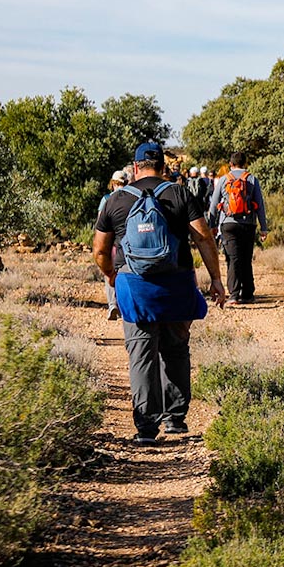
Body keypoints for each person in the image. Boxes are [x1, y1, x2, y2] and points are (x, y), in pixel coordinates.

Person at [93, 141, 227, 444]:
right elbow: (204, 238)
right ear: (163, 166)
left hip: (135, 287)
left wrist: (112, 276)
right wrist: (216, 279)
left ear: (135, 167)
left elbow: (100, 249)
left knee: (141, 354)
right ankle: (175, 420)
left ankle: (145, 427)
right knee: (176, 350)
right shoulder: (180, 193)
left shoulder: (116, 199)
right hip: (177, 284)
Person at [208, 152, 267, 304]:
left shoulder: (223, 179)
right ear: (245, 163)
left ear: (231, 164)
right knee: (246, 258)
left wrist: (212, 225)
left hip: (228, 224)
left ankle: (233, 295)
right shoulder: (252, 179)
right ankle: (248, 294)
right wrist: (264, 227)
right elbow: (260, 205)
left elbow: (213, 205)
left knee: (233, 259)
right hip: (248, 224)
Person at [100, 168, 130, 321]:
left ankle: (113, 304)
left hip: (111, 243)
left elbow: (100, 224)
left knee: (110, 273)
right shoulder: (133, 197)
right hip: (128, 243)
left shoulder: (106, 199)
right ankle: (125, 305)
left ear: (113, 184)